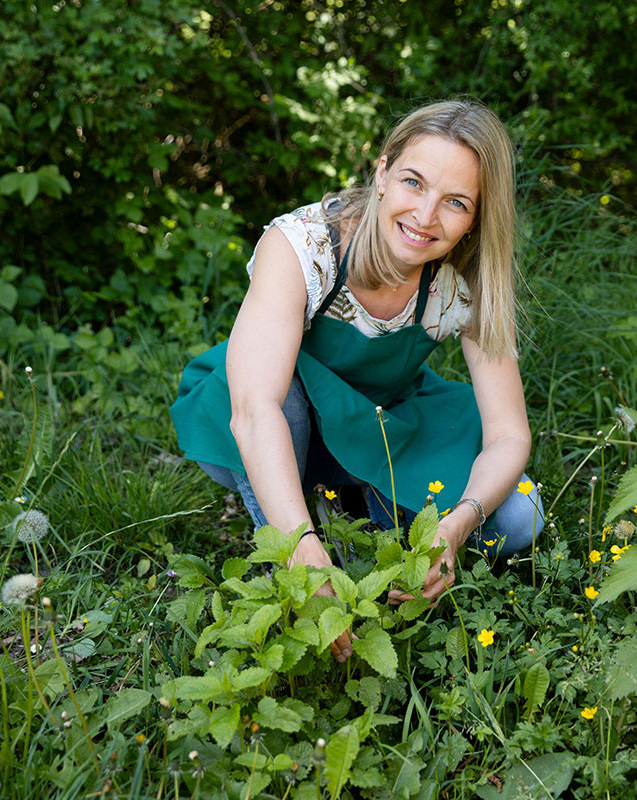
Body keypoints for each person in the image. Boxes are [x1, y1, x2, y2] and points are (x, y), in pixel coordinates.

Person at [170, 99, 544, 662]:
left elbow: (510, 436)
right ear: (382, 170)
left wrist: (455, 531)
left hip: (372, 421)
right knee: (285, 424)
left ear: (477, 217)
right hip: (267, 418)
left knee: (518, 519)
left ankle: (351, 507)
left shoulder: (468, 280)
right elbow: (256, 408)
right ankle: (302, 531)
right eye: (413, 182)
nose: (424, 215)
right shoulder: (303, 245)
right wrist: (299, 548)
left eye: (456, 203)